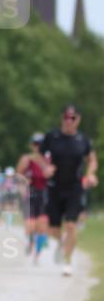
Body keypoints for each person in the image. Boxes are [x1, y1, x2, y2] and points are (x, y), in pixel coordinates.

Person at [40, 104, 98, 277]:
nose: (68, 121)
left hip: (74, 187)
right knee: (52, 228)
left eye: (72, 118)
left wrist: (90, 174)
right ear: (62, 118)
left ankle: (67, 262)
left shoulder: (83, 140)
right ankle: (61, 243)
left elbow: (92, 160)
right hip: (54, 187)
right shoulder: (52, 136)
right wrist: (45, 167)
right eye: (66, 117)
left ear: (78, 119)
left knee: (71, 225)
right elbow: (39, 156)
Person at [16, 133, 51, 262]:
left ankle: (37, 254)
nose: (38, 147)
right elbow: (18, 174)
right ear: (32, 145)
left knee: (41, 226)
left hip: (44, 194)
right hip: (30, 194)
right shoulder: (26, 159)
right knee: (29, 226)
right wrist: (23, 183)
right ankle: (31, 240)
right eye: (35, 144)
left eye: (40, 144)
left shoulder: (49, 159)